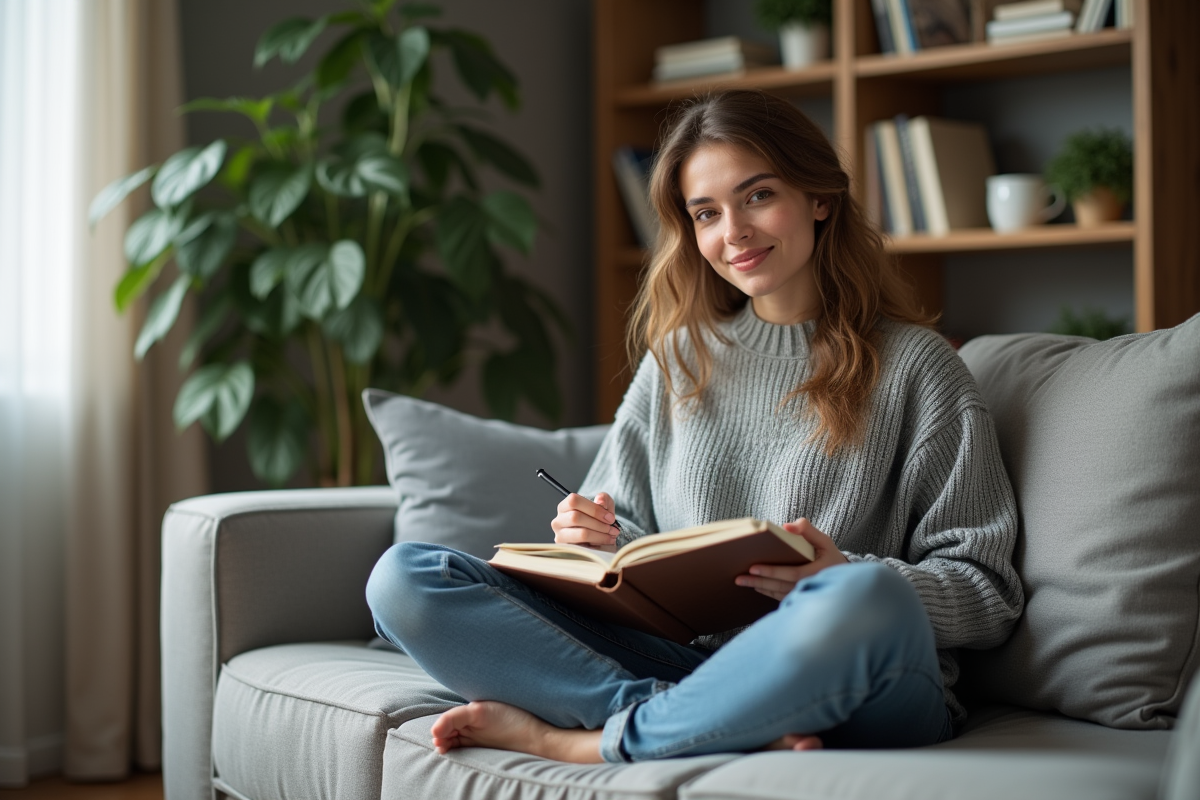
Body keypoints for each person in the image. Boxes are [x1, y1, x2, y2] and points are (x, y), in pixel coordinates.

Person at [366, 90, 1023, 764]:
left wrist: (836, 573)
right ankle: (716, 724)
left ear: (820, 198)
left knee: (867, 594)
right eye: (706, 213)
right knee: (405, 578)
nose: (732, 232)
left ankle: (581, 742)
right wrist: (594, 539)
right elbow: (621, 547)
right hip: (686, 665)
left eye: (758, 196)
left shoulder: (919, 367)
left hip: (858, 681)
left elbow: (989, 592)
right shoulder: (679, 358)